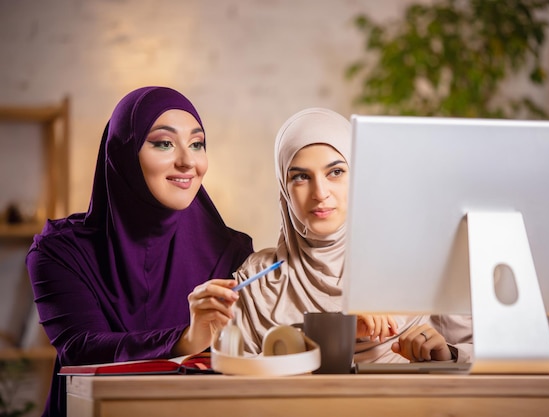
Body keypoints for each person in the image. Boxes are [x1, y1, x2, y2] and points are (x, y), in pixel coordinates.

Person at [25, 86, 253, 417]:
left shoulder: (231, 253)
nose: (188, 161)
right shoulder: (59, 252)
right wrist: (184, 339)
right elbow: (80, 350)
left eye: (197, 143)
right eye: (164, 143)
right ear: (123, 153)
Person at [211, 107, 473, 365]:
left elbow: (489, 355)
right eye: (301, 177)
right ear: (284, 188)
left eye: (336, 172)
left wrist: (447, 354)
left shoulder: (419, 264)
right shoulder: (258, 280)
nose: (320, 192)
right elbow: (233, 374)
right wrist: (339, 331)